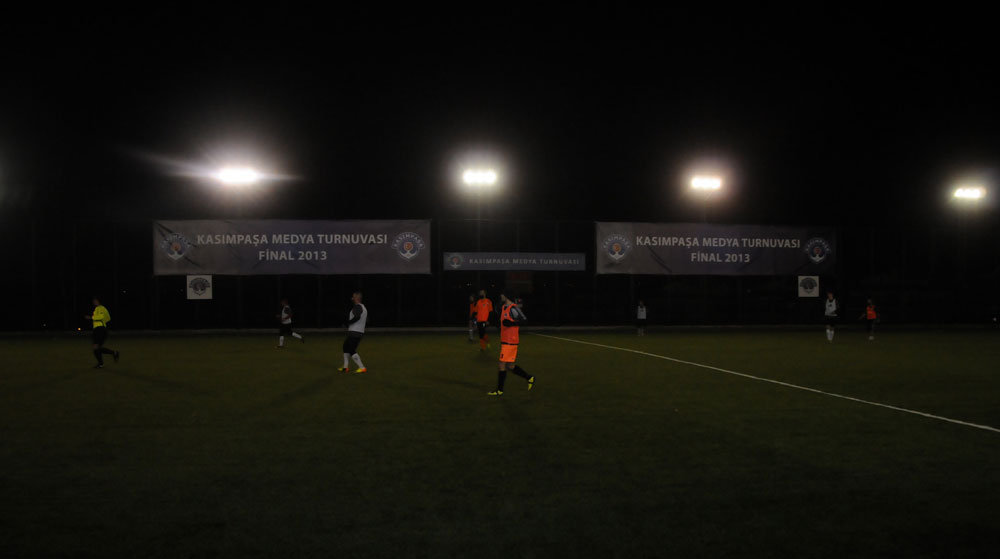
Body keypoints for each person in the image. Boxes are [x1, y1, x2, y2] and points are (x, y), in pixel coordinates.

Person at [488, 292, 535, 396]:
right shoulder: (504, 307)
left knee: (502, 364)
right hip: (506, 340)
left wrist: (511, 323)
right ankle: (529, 378)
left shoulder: (513, 308)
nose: (501, 296)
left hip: (510, 341)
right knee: (510, 366)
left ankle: (499, 390)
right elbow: (504, 322)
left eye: (502, 294)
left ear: (506, 295)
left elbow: (524, 321)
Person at [338, 291, 368, 373]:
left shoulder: (358, 306)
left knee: (351, 349)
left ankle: (362, 367)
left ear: (356, 298)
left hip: (355, 332)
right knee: (345, 347)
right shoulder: (363, 307)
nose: (352, 298)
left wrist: (347, 323)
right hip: (357, 332)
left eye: (353, 297)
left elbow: (357, 317)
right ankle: (345, 367)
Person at [85, 296, 119, 369]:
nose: (94, 302)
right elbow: (108, 318)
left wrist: (91, 317)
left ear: (99, 301)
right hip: (100, 329)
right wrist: (103, 322)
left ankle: (101, 363)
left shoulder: (100, 308)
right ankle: (114, 353)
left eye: (95, 300)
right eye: (94, 301)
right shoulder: (99, 308)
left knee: (96, 347)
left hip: (100, 329)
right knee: (97, 348)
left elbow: (101, 317)